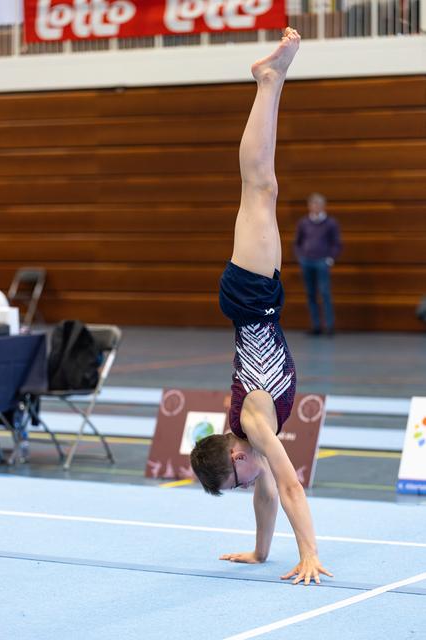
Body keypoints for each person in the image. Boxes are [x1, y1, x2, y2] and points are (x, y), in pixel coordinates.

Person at [190, 28, 333, 586]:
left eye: (236, 481)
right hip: (259, 304)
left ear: (235, 455)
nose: (246, 487)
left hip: (251, 301)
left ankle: (268, 82)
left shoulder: (252, 421)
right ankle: (270, 83)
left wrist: (311, 553)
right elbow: (271, 491)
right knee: (262, 187)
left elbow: (289, 484)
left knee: (259, 185)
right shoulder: (250, 441)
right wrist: (261, 552)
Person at [294, 193, 342, 335]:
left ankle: (329, 326)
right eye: (313, 204)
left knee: (325, 292)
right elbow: (298, 242)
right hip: (307, 261)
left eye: (318, 204)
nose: (315, 207)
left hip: (322, 262)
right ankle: (315, 326)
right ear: (309, 206)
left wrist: (330, 258)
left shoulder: (330, 223)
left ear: (323, 206)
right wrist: (300, 256)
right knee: (311, 294)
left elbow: (336, 243)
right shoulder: (303, 222)